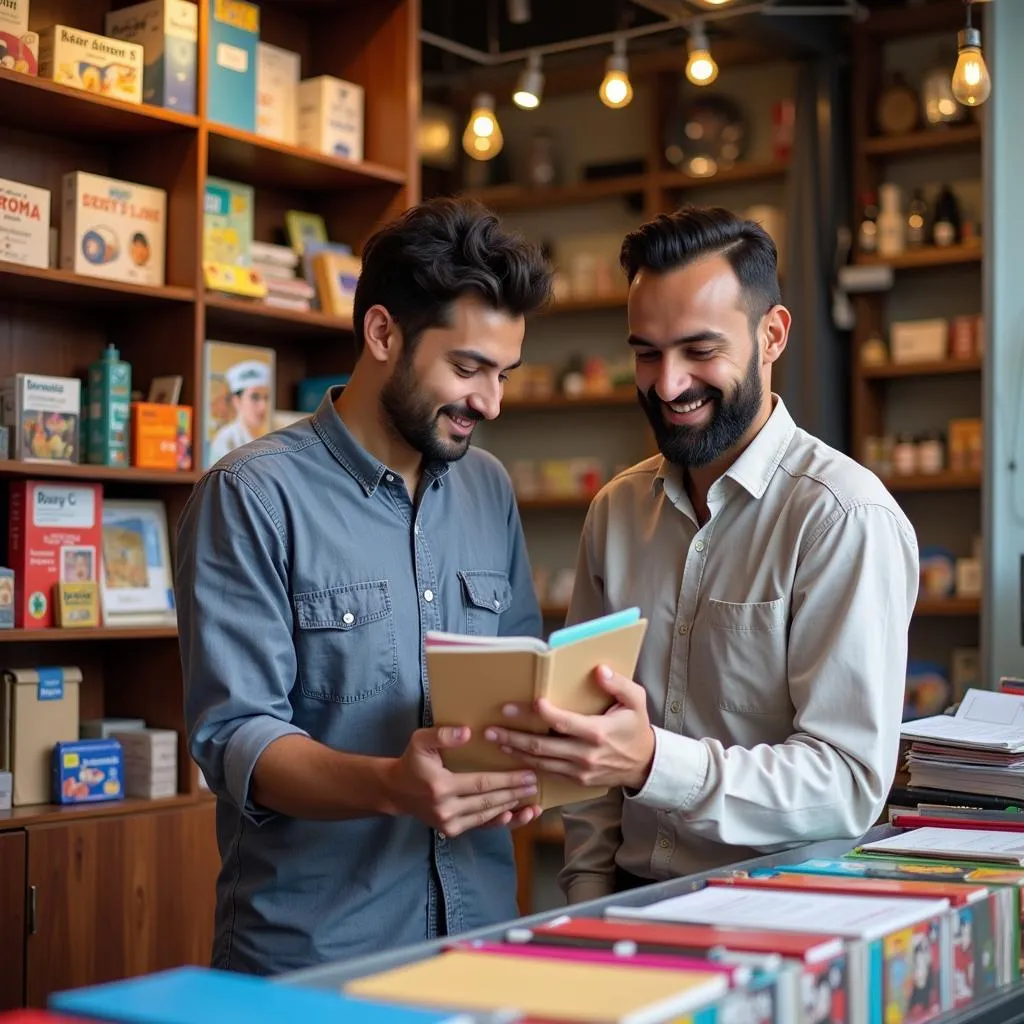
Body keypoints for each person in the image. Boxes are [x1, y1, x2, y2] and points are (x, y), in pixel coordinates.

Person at [483, 205, 920, 900]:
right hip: (624, 905)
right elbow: (589, 746)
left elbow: (848, 785)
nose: (667, 383)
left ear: (771, 335)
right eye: (647, 352)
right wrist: (589, 896)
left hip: (783, 913)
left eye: (700, 351)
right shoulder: (616, 512)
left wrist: (657, 762)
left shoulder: (842, 517)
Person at [175, 196, 552, 975]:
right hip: (316, 957)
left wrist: (554, 744)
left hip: (480, 939)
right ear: (383, 333)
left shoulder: (488, 487)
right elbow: (237, 737)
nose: (492, 403)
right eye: (467, 367)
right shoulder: (252, 494)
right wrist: (392, 785)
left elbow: (522, 679)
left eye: (504, 373)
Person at [207, 358, 272, 464]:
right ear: (236, 401)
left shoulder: (271, 438)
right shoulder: (226, 440)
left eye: (266, 398)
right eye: (255, 397)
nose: (263, 406)